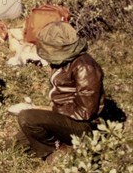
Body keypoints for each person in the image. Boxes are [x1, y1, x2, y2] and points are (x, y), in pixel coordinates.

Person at [15, 21, 105, 161]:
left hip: (83, 126)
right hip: (66, 118)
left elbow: (85, 112)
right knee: (15, 144)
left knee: (27, 118)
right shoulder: (65, 61)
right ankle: (54, 147)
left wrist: (49, 109)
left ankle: (60, 151)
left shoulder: (85, 67)